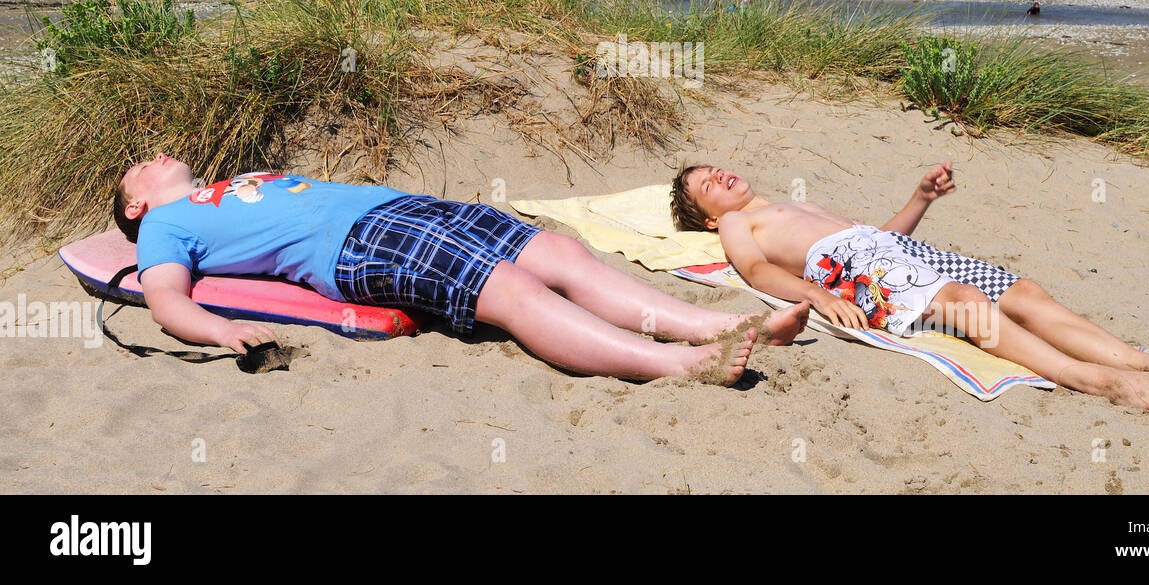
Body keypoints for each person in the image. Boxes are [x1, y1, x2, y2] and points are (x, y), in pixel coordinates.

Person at [113, 156, 809, 385]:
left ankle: (726, 324)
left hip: (405, 207)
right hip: (358, 246)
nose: (153, 154)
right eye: (138, 164)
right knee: (507, 291)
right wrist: (220, 330)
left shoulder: (226, 181)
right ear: (137, 201)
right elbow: (165, 297)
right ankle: (673, 365)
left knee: (561, 254)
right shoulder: (165, 226)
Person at [670, 164, 1149, 410]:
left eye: (715, 169)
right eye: (706, 186)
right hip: (862, 276)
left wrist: (921, 198)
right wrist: (816, 296)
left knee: (1028, 295)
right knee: (967, 307)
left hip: (900, 254)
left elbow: (884, 236)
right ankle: (1098, 381)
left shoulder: (799, 204)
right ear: (710, 220)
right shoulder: (741, 225)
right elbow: (754, 271)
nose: (719, 176)